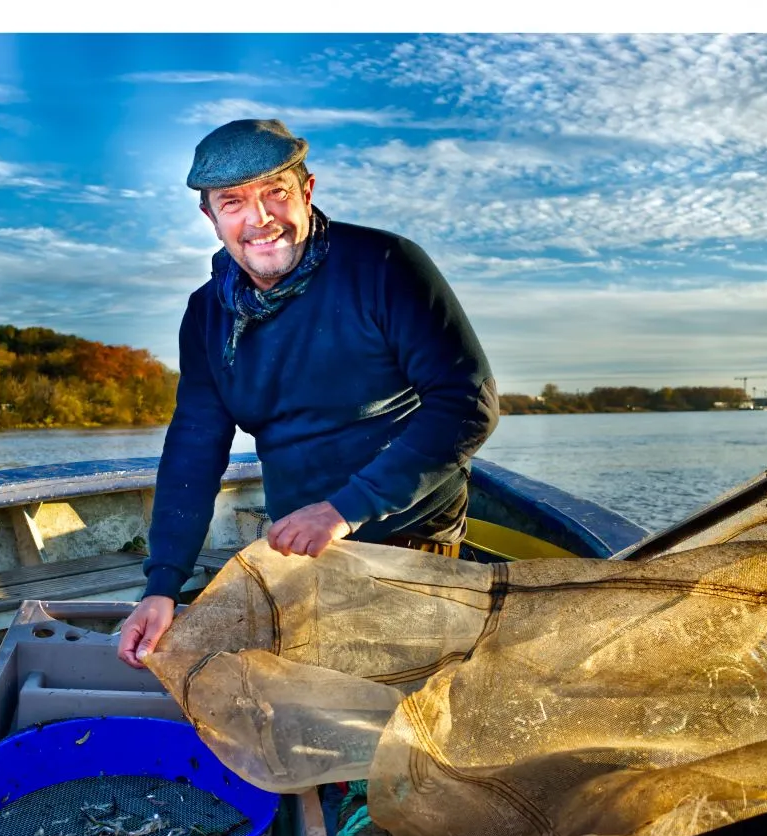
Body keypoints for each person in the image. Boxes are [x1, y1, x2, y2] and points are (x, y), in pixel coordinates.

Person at [118, 118, 498, 669]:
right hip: (298, 550)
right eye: (233, 202)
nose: (260, 218)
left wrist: (345, 509)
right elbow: (193, 449)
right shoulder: (207, 313)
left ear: (307, 190)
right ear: (210, 216)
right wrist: (162, 585)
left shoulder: (387, 267)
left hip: (411, 541)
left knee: (398, 708)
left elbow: (467, 401)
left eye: (276, 192)